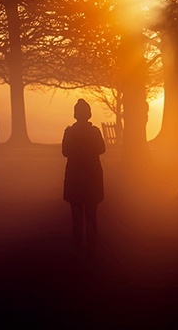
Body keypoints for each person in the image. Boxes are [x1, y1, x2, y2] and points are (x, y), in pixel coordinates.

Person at [62, 99, 106, 260]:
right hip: (92, 177)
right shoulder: (94, 132)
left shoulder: (69, 132)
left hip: (75, 176)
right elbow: (102, 149)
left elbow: (65, 151)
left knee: (76, 217)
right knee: (91, 216)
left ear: (75, 114)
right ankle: (91, 250)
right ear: (89, 114)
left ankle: (77, 249)